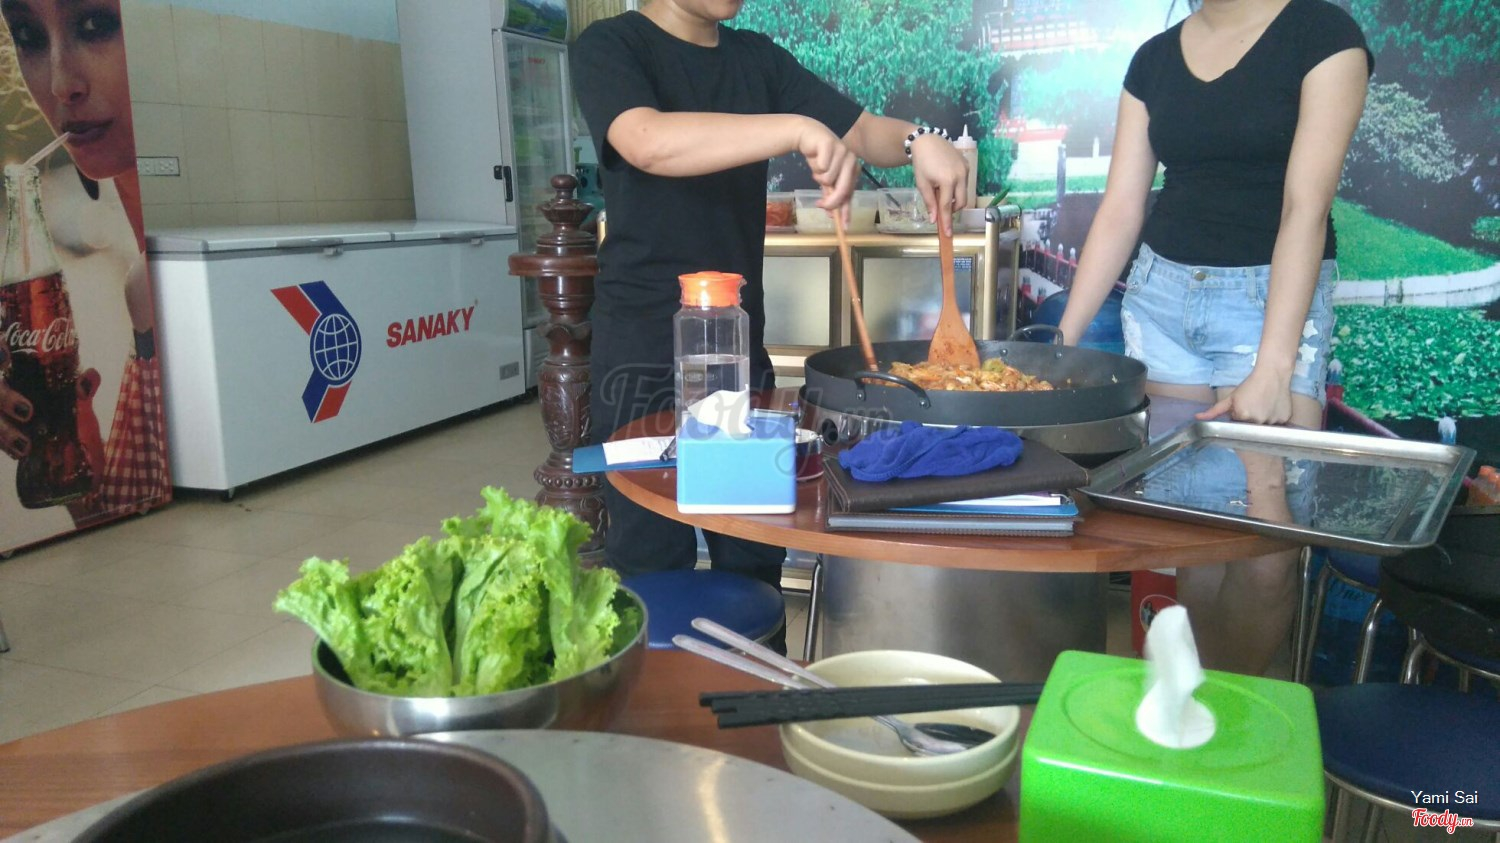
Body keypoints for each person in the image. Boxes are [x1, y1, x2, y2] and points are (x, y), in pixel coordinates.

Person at [570, 0, 969, 647]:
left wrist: (919, 140)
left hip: (733, 344)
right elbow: (647, 141)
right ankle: (658, 699)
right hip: (641, 347)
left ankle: (761, 694)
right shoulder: (611, 46)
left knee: (754, 546)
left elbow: (862, 129)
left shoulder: (757, 59)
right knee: (648, 553)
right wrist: (794, 129)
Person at [1056, 0, 1370, 674]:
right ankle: (1192, 714)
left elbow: (1306, 206)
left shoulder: (1324, 34)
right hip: (1160, 299)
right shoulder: (1152, 59)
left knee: (1267, 552)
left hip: (1268, 304)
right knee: (1195, 540)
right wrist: (1062, 341)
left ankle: (1224, 709)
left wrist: (1274, 366)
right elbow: (1121, 208)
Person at [1, 0, 170, 527]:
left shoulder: (170, 276)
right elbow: (141, 531)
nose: (60, 84)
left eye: (96, 25)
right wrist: (72, 461)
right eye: (28, 36)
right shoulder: (144, 282)